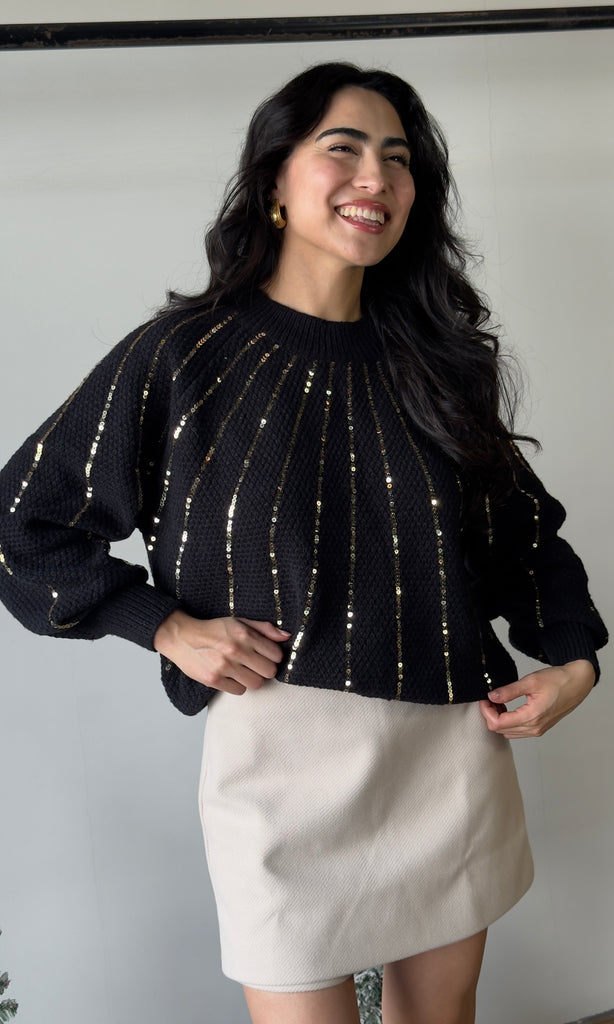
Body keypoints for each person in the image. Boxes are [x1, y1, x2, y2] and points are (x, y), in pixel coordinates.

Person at [0, 61, 607, 1024]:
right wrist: (164, 626)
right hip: (277, 762)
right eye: (344, 148)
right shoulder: (182, 357)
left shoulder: (438, 365)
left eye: (399, 159)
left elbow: (522, 539)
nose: (376, 177)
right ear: (275, 178)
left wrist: (575, 664)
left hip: (449, 752)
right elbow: (22, 524)